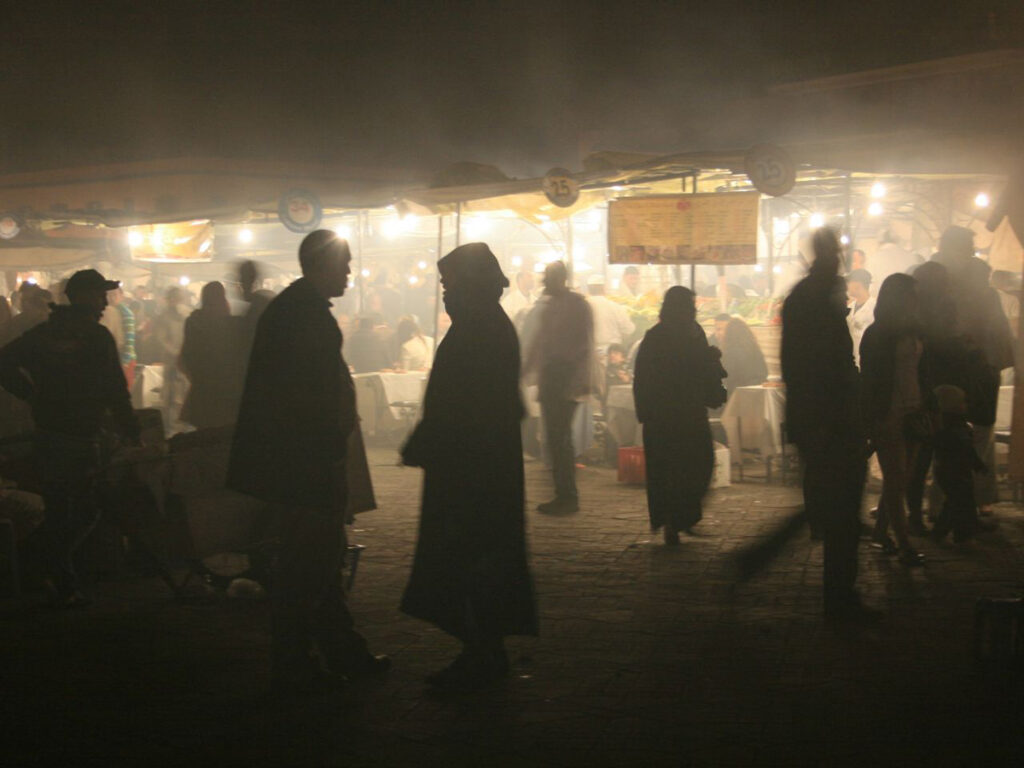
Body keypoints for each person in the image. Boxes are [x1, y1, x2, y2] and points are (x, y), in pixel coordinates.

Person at [227, 230, 388, 694]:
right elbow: (309, 400)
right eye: (345, 264)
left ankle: (342, 652)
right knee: (308, 568)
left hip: (304, 462)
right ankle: (294, 665)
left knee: (321, 562)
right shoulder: (304, 316)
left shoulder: (298, 310)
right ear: (321, 265)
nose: (350, 272)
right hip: (306, 465)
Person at [400, 242, 537, 690]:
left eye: (448, 282)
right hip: (477, 467)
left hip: (473, 473)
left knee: (470, 559)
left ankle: (482, 652)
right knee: (476, 561)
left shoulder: (481, 329)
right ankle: (483, 649)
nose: (444, 292)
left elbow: (470, 404)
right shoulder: (485, 325)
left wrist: (434, 439)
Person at [0, 269, 140, 607]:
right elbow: (114, 388)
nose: (106, 302)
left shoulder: (45, 334)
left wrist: (31, 393)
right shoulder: (95, 337)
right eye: (100, 294)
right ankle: (51, 574)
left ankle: (48, 571)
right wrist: (130, 428)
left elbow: (3, 361)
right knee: (80, 510)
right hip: (78, 437)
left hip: (53, 435)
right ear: (85, 297)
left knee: (65, 510)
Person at [781, 228, 868, 618]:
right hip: (830, 417)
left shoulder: (807, 294)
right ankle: (839, 595)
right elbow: (826, 361)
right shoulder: (820, 294)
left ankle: (840, 590)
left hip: (819, 414)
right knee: (842, 509)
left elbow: (799, 363)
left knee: (834, 504)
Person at [634, 287, 726, 545]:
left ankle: (680, 517)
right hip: (671, 413)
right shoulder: (661, 337)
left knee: (695, 465)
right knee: (676, 469)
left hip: (681, 412)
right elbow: (646, 377)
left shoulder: (691, 333)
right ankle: (674, 520)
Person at [859, 273, 925, 566]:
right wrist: (873, 415)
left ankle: (881, 532)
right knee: (897, 478)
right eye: (912, 294)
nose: (916, 299)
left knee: (901, 478)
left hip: (913, 407)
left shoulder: (912, 330)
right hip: (889, 411)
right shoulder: (878, 334)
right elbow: (871, 378)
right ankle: (904, 543)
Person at [521, 261, 594, 515]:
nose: (544, 283)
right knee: (557, 437)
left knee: (559, 437)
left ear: (557, 279)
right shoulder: (556, 306)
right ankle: (565, 493)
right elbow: (540, 342)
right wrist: (525, 370)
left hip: (564, 378)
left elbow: (579, 346)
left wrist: (574, 378)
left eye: (547, 278)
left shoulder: (574, 305)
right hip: (555, 377)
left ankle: (567, 495)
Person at [929, 385, 990, 542]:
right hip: (954, 471)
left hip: (951, 470)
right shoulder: (956, 427)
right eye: (962, 402)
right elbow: (966, 449)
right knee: (959, 501)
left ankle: (959, 530)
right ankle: (957, 531)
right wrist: (977, 464)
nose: (966, 405)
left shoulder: (948, 425)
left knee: (957, 501)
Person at [178, 282, 240, 430]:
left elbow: (186, 355)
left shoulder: (193, 321)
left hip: (200, 387)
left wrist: (195, 376)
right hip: (223, 390)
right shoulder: (228, 323)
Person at [151, 287, 189, 428]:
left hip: (184, 363)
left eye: (180, 298)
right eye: (175, 298)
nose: (178, 301)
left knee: (183, 394)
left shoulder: (187, 315)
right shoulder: (164, 317)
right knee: (170, 395)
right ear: (170, 300)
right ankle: (169, 426)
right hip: (172, 362)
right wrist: (175, 353)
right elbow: (161, 340)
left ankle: (180, 425)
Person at [586, 276, 635, 358]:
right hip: (613, 353)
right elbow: (629, 329)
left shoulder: (582, 307)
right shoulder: (616, 307)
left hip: (590, 352)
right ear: (603, 288)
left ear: (588, 289)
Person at [720, 316, 768, 397]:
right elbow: (764, 372)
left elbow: (727, 377)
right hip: (756, 393)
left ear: (729, 334)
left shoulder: (729, 352)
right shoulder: (755, 349)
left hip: (736, 394)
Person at [845, 269, 875, 368]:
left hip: (866, 359)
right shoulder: (850, 306)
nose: (847, 286)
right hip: (851, 358)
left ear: (857, 284)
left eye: (849, 282)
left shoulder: (875, 307)